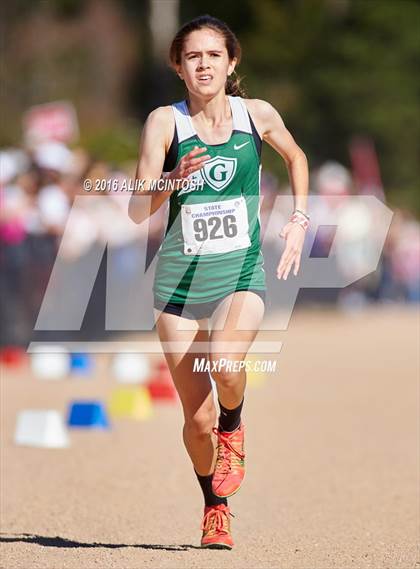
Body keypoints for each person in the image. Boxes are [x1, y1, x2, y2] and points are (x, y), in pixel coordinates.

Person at [129, 15, 309, 549]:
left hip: (240, 271)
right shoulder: (165, 123)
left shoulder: (257, 115)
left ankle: (236, 422)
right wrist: (171, 181)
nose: (203, 64)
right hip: (180, 284)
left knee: (227, 367)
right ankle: (215, 507)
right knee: (196, 416)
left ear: (232, 63)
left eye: (213, 55)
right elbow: (138, 209)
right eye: (192, 56)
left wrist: (298, 220)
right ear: (179, 68)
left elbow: (296, 157)